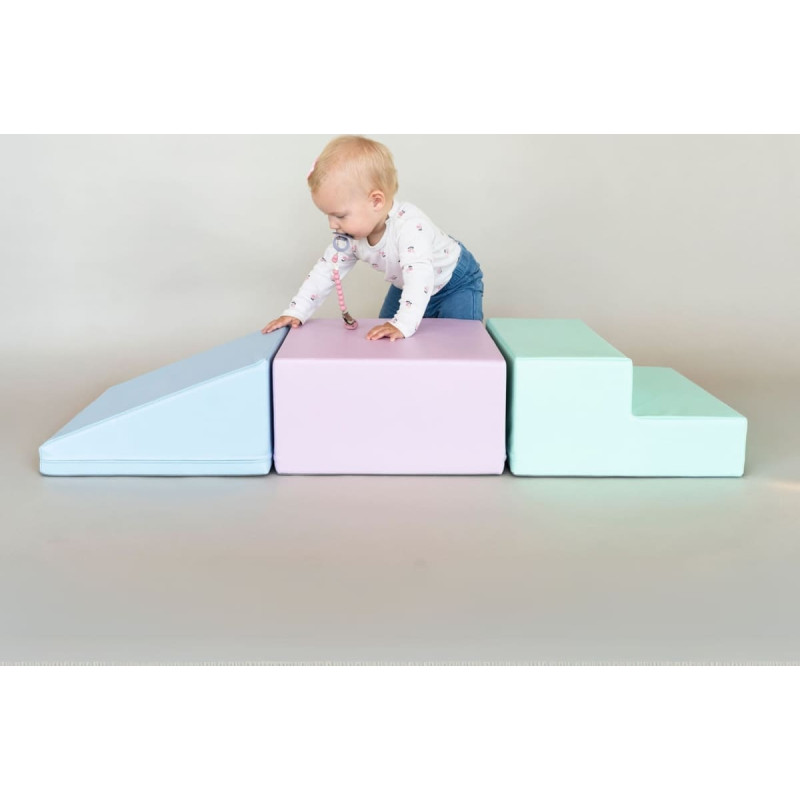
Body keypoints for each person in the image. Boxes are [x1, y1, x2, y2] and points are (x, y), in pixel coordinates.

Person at [261, 135, 484, 341]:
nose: (332, 224)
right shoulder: (350, 237)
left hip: (454, 283)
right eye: (328, 215)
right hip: (407, 283)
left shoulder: (410, 227)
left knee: (461, 341)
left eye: (339, 216)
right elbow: (326, 271)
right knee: (384, 335)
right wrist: (296, 311)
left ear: (376, 201)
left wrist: (404, 323)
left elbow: (420, 276)